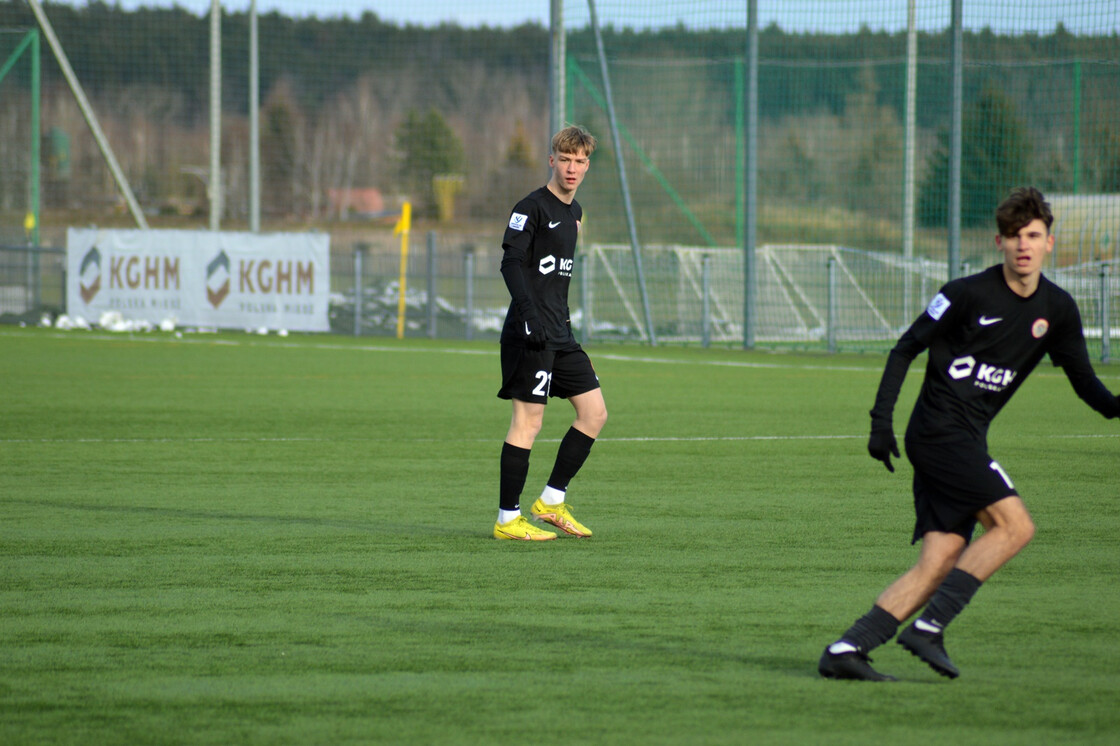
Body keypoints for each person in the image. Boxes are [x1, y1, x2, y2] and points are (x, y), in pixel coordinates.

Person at [819, 186, 1120, 681]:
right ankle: (931, 626)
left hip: (966, 440)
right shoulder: (965, 294)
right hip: (939, 434)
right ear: (997, 242)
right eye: (1012, 236)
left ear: (1049, 242)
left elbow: (1086, 384)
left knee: (939, 561)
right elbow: (905, 348)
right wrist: (880, 423)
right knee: (1015, 527)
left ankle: (847, 649)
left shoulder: (1058, 310)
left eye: (1033, 235)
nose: (1023, 245)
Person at [492, 125, 607, 541]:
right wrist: (529, 315)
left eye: (580, 161)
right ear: (552, 160)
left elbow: (556, 281)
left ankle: (551, 501)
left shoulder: (576, 214)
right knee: (529, 421)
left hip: (560, 332)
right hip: (529, 332)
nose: (572, 168)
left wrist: (562, 325)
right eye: (566, 159)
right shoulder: (531, 207)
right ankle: (507, 519)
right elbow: (510, 263)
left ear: (587, 165)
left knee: (594, 413)